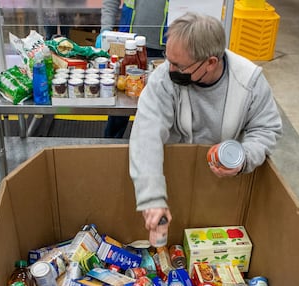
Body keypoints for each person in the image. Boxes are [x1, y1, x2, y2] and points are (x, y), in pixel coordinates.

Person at [129, 13, 282, 245]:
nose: (170, 69)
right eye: (167, 58)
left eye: (179, 65)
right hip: (175, 176)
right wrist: (152, 198)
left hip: (221, 187)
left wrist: (243, 158)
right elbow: (146, 135)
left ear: (211, 62)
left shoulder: (249, 81)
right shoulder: (164, 79)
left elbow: (266, 129)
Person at [100, 0, 168, 138]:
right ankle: (109, 147)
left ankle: (150, 148)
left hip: (166, 48)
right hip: (128, 43)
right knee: (121, 101)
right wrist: (105, 31)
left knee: (159, 106)